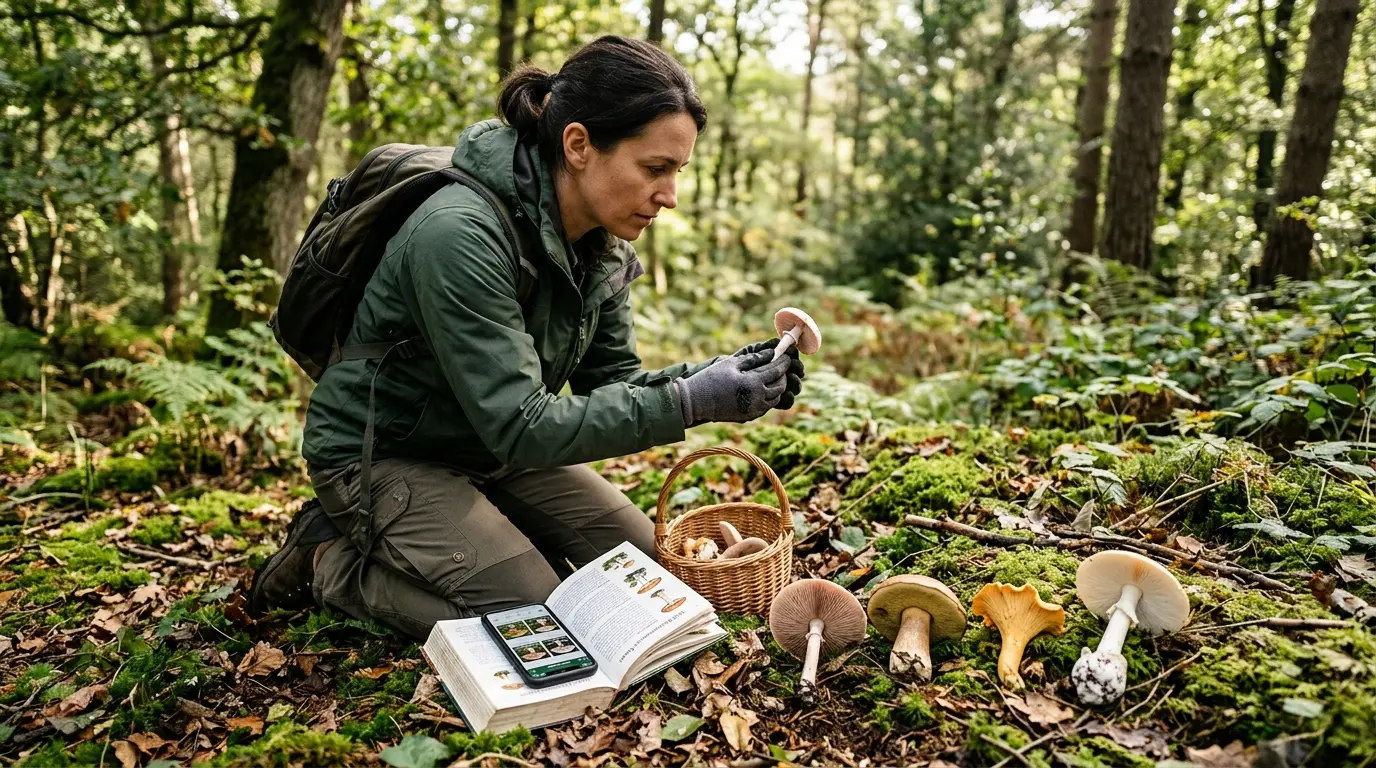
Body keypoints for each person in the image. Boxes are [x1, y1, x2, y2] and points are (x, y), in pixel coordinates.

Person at [246, 36, 805, 640]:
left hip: (493, 450)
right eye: (655, 169)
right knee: (537, 619)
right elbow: (522, 422)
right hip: (385, 454)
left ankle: (485, 533)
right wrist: (691, 402)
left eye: (677, 171)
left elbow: (613, 385)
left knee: (656, 574)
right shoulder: (458, 234)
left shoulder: (599, 241)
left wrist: (721, 380)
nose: (669, 196)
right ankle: (326, 563)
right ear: (579, 145)